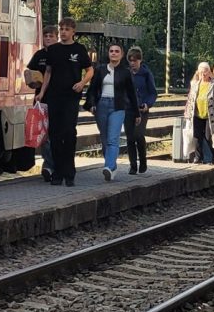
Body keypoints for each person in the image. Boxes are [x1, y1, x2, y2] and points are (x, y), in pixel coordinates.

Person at [36, 18, 94, 187]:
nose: (63, 32)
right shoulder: (53, 50)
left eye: (67, 29)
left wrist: (82, 83)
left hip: (71, 97)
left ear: (73, 32)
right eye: (61, 29)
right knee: (54, 134)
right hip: (54, 96)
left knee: (69, 133)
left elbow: (90, 70)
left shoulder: (79, 49)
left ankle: (70, 173)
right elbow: (48, 72)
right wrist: (42, 92)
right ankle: (57, 173)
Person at [84, 44, 140, 181]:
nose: (114, 53)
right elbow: (92, 89)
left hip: (118, 106)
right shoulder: (100, 69)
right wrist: (91, 104)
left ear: (121, 54)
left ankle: (108, 166)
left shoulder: (125, 72)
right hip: (102, 105)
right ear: (108, 54)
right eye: (111, 51)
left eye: (117, 51)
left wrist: (136, 112)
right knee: (104, 139)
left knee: (112, 139)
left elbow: (132, 93)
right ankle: (112, 167)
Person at [25, 25, 58, 182]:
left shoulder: (61, 54)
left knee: (55, 133)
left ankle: (54, 165)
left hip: (58, 98)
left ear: (56, 37)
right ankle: (48, 165)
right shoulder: (39, 55)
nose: (48, 38)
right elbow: (30, 73)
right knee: (43, 134)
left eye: (51, 36)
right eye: (46, 36)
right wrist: (33, 82)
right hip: (41, 99)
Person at [183, 62, 214, 165]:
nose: (203, 74)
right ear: (198, 72)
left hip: (210, 116)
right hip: (197, 115)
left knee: (208, 137)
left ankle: (212, 158)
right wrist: (188, 113)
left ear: (209, 72)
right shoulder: (195, 84)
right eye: (201, 71)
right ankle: (198, 158)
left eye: (205, 71)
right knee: (197, 137)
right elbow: (190, 100)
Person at [125, 46, 157, 175]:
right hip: (128, 109)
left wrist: (148, 104)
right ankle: (133, 165)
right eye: (131, 60)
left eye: (135, 60)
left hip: (141, 109)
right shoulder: (126, 74)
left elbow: (153, 93)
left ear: (140, 60)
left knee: (138, 135)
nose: (133, 63)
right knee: (129, 137)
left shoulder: (146, 74)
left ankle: (143, 161)